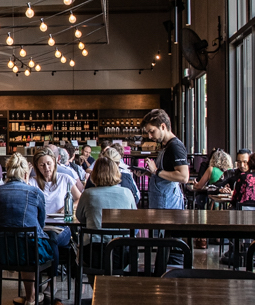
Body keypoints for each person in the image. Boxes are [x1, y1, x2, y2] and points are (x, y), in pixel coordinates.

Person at [0, 156, 55, 305]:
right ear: (26, 174)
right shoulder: (35, 193)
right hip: (28, 252)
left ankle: (31, 295)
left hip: (1, 252)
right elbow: (41, 223)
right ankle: (36, 295)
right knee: (38, 242)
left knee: (20, 241)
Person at [137, 109, 190, 265]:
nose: (150, 136)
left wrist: (157, 171)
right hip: (163, 199)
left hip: (169, 202)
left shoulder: (175, 146)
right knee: (164, 241)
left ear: (163, 126)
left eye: (152, 131)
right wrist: (150, 173)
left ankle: (173, 277)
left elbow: (183, 176)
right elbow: (167, 173)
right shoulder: (167, 146)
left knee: (171, 242)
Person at [34, 148, 80, 249]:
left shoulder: (65, 178)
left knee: (51, 238)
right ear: (37, 166)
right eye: (42, 165)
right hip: (40, 226)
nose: (46, 168)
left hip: (61, 226)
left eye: (49, 163)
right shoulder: (32, 182)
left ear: (55, 163)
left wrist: (67, 207)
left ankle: (48, 264)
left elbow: (79, 198)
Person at [76, 157, 137, 229]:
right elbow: (134, 218)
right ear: (116, 172)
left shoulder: (87, 194)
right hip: (121, 238)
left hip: (94, 239)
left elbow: (80, 217)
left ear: (94, 174)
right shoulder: (127, 192)